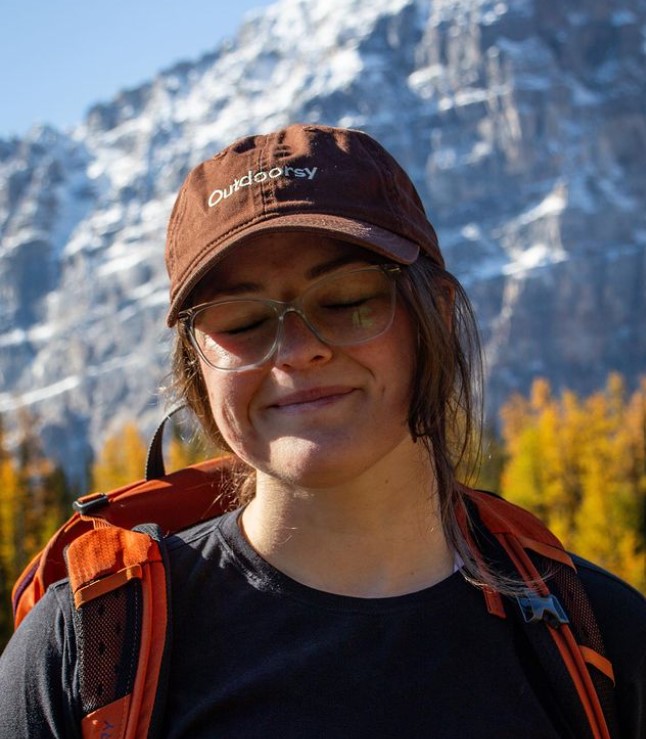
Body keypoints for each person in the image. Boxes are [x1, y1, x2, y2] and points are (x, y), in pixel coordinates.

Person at [1, 123, 644, 738]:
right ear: (196, 363)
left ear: (438, 316)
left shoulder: (602, 641)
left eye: (346, 300)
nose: (296, 349)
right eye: (242, 319)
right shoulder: (88, 650)